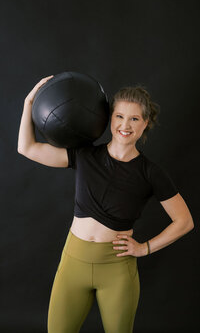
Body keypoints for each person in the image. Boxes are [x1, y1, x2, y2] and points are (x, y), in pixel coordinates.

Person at [17, 75, 194, 333]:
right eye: (119, 116)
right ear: (110, 119)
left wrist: (145, 248)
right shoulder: (84, 154)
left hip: (117, 270)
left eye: (134, 118)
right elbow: (27, 148)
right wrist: (29, 101)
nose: (125, 124)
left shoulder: (151, 173)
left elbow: (184, 221)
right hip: (73, 264)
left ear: (145, 124)